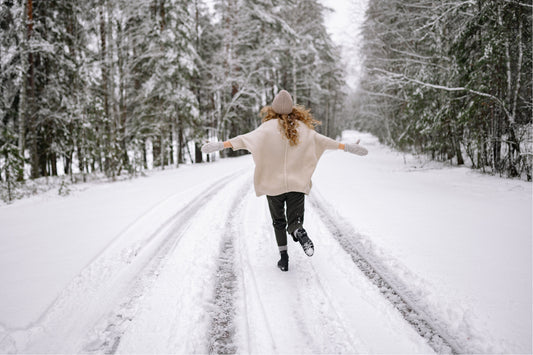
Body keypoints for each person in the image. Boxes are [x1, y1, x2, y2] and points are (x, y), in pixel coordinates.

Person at [201, 90, 368, 272]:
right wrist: (347, 147)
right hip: (297, 185)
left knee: (278, 222)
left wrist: (220, 145)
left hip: (273, 187)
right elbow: (324, 141)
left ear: (273, 108)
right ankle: (299, 232)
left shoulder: (266, 128)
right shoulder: (303, 129)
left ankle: (284, 258)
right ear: (293, 108)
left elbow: (243, 140)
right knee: (294, 220)